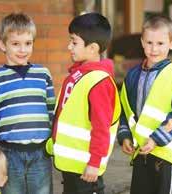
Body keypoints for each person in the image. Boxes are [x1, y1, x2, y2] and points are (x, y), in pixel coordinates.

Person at [45, 12, 121, 194]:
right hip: (73, 167)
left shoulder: (98, 81)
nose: (69, 46)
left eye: (74, 42)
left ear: (93, 48)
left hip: (86, 170)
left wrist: (95, 163)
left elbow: (101, 127)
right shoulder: (80, 74)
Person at [0, 12, 55, 194]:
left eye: (28, 43)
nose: (23, 50)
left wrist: (55, 141)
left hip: (40, 152)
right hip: (9, 153)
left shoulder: (43, 74)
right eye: (15, 44)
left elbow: (51, 110)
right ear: (2, 45)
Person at [117, 15, 172, 194]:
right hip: (140, 152)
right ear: (142, 42)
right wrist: (125, 135)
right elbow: (124, 110)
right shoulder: (132, 75)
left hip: (164, 154)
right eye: (149, 42)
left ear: (171, 43)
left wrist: (156, 139)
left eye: (160, 43)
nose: (154, 49)